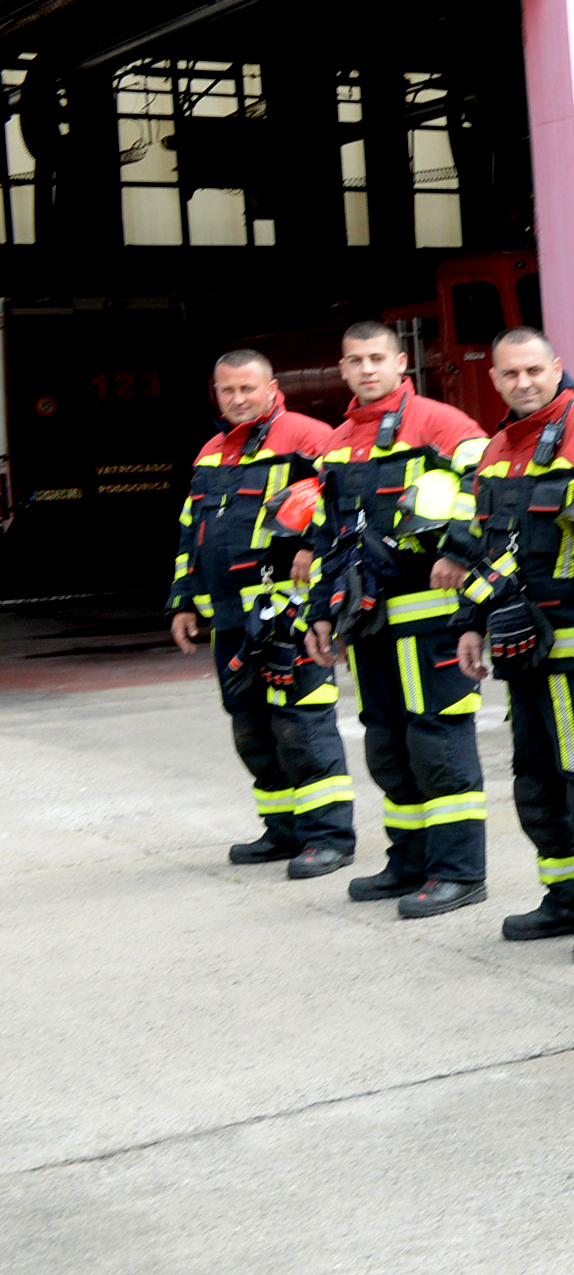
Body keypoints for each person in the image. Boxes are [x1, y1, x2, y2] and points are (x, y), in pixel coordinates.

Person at [435, 328, 574, 960]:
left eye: (534, 370)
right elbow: (485, 550)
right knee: (538, 786)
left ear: (557, 368)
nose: (524, 382)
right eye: (510, 374)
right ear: (495, 380)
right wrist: (471, 623)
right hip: (525, 656)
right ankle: (568, 898)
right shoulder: (495, 451)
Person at [298, 321, 492, 915]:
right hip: (369, 623)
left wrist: (459, 552)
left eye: (377, 358)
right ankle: (409, 862)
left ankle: (459, 872)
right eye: (355, 360)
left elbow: (484, 488)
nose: (367, 369)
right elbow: (327, 536)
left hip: (431, 620)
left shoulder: (442, 424)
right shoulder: (337, 443)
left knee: (438, 743)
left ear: (401, 361)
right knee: (387, 745)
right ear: (342, 369)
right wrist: (320, 612)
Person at [169, 349, 354, 880]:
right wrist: (183, 599)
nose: (237, 398)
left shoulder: (309, 437)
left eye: (247, 388)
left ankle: (328, 837)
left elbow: (340, 511)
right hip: (230, 617)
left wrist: (312, 553)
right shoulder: (210, 452)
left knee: (301, 723)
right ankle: (282, 831)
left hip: (287, 614)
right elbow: (191, 533)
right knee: (249, 726)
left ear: (273, 388)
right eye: (227, 390)